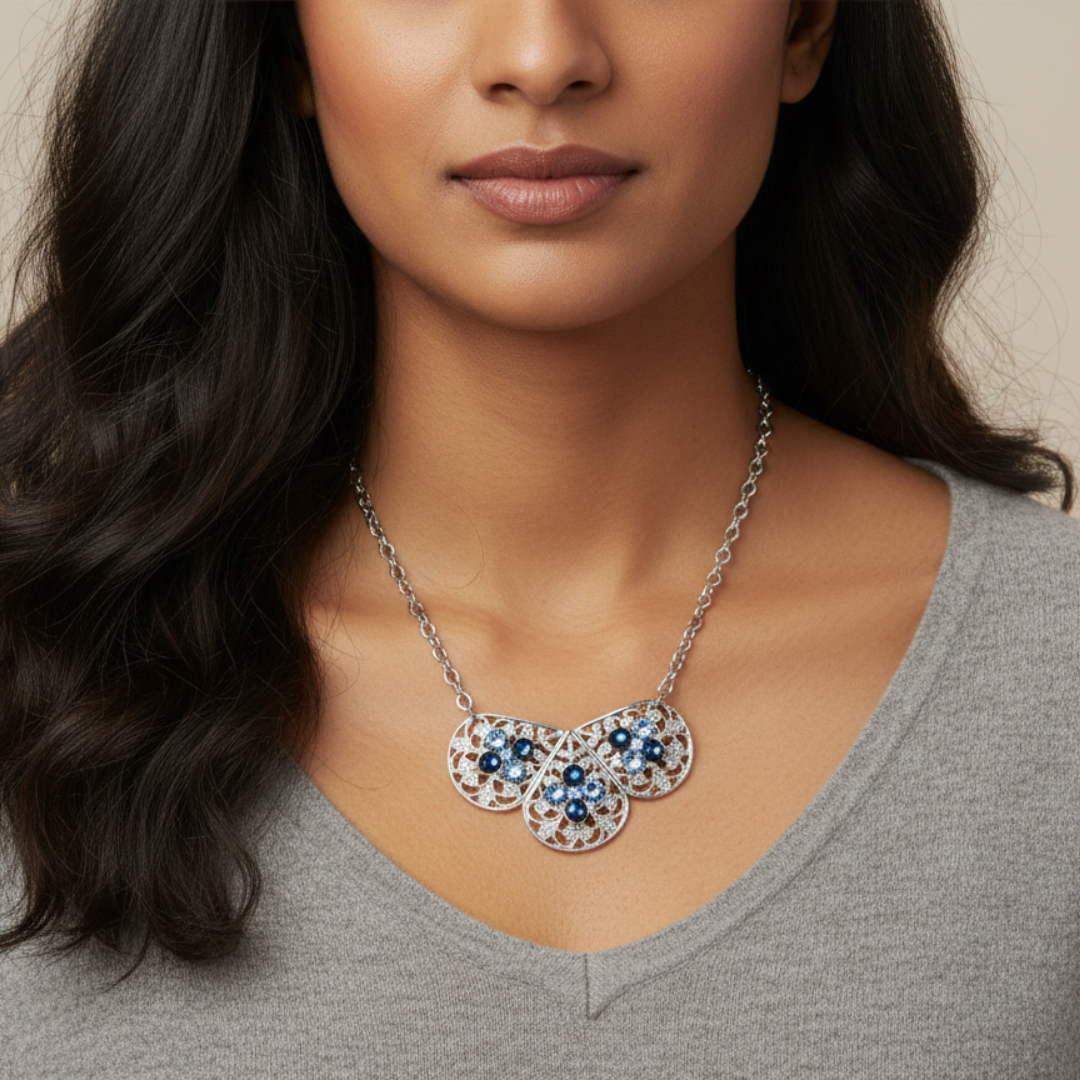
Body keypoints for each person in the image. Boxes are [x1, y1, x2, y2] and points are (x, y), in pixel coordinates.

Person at [1, 0, 1078, 1075]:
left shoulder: (1052, 677)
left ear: (805, 29)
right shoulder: (35, 668)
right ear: (288, 41)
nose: (542, 57)